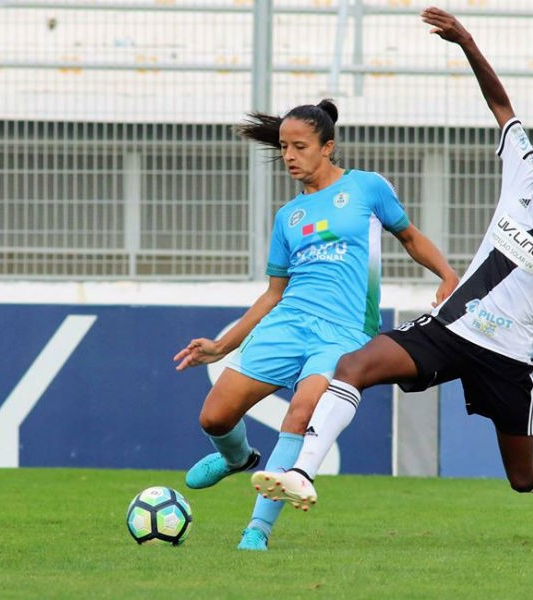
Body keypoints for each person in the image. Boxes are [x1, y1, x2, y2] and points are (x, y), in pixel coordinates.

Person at [251, 7, 533, 548]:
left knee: (522, 477)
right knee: (355, 364)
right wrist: (466, 41)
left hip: (506, 352)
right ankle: (302, 474)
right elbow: (501, 104)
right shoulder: (522, 174)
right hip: (450, 327)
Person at [173, 98, 459, 551]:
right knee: (214, 416)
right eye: (284, 146)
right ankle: (237, 458)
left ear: (328, 147)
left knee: (302, 410)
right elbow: (273, 292)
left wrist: (448, 275)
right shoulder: (288, 217)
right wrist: (223, 346)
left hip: (343, 334)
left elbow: (409, 236)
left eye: (299, 146)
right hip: (287, 325)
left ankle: (257, 530)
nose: (288, 155)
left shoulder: (366, 188)